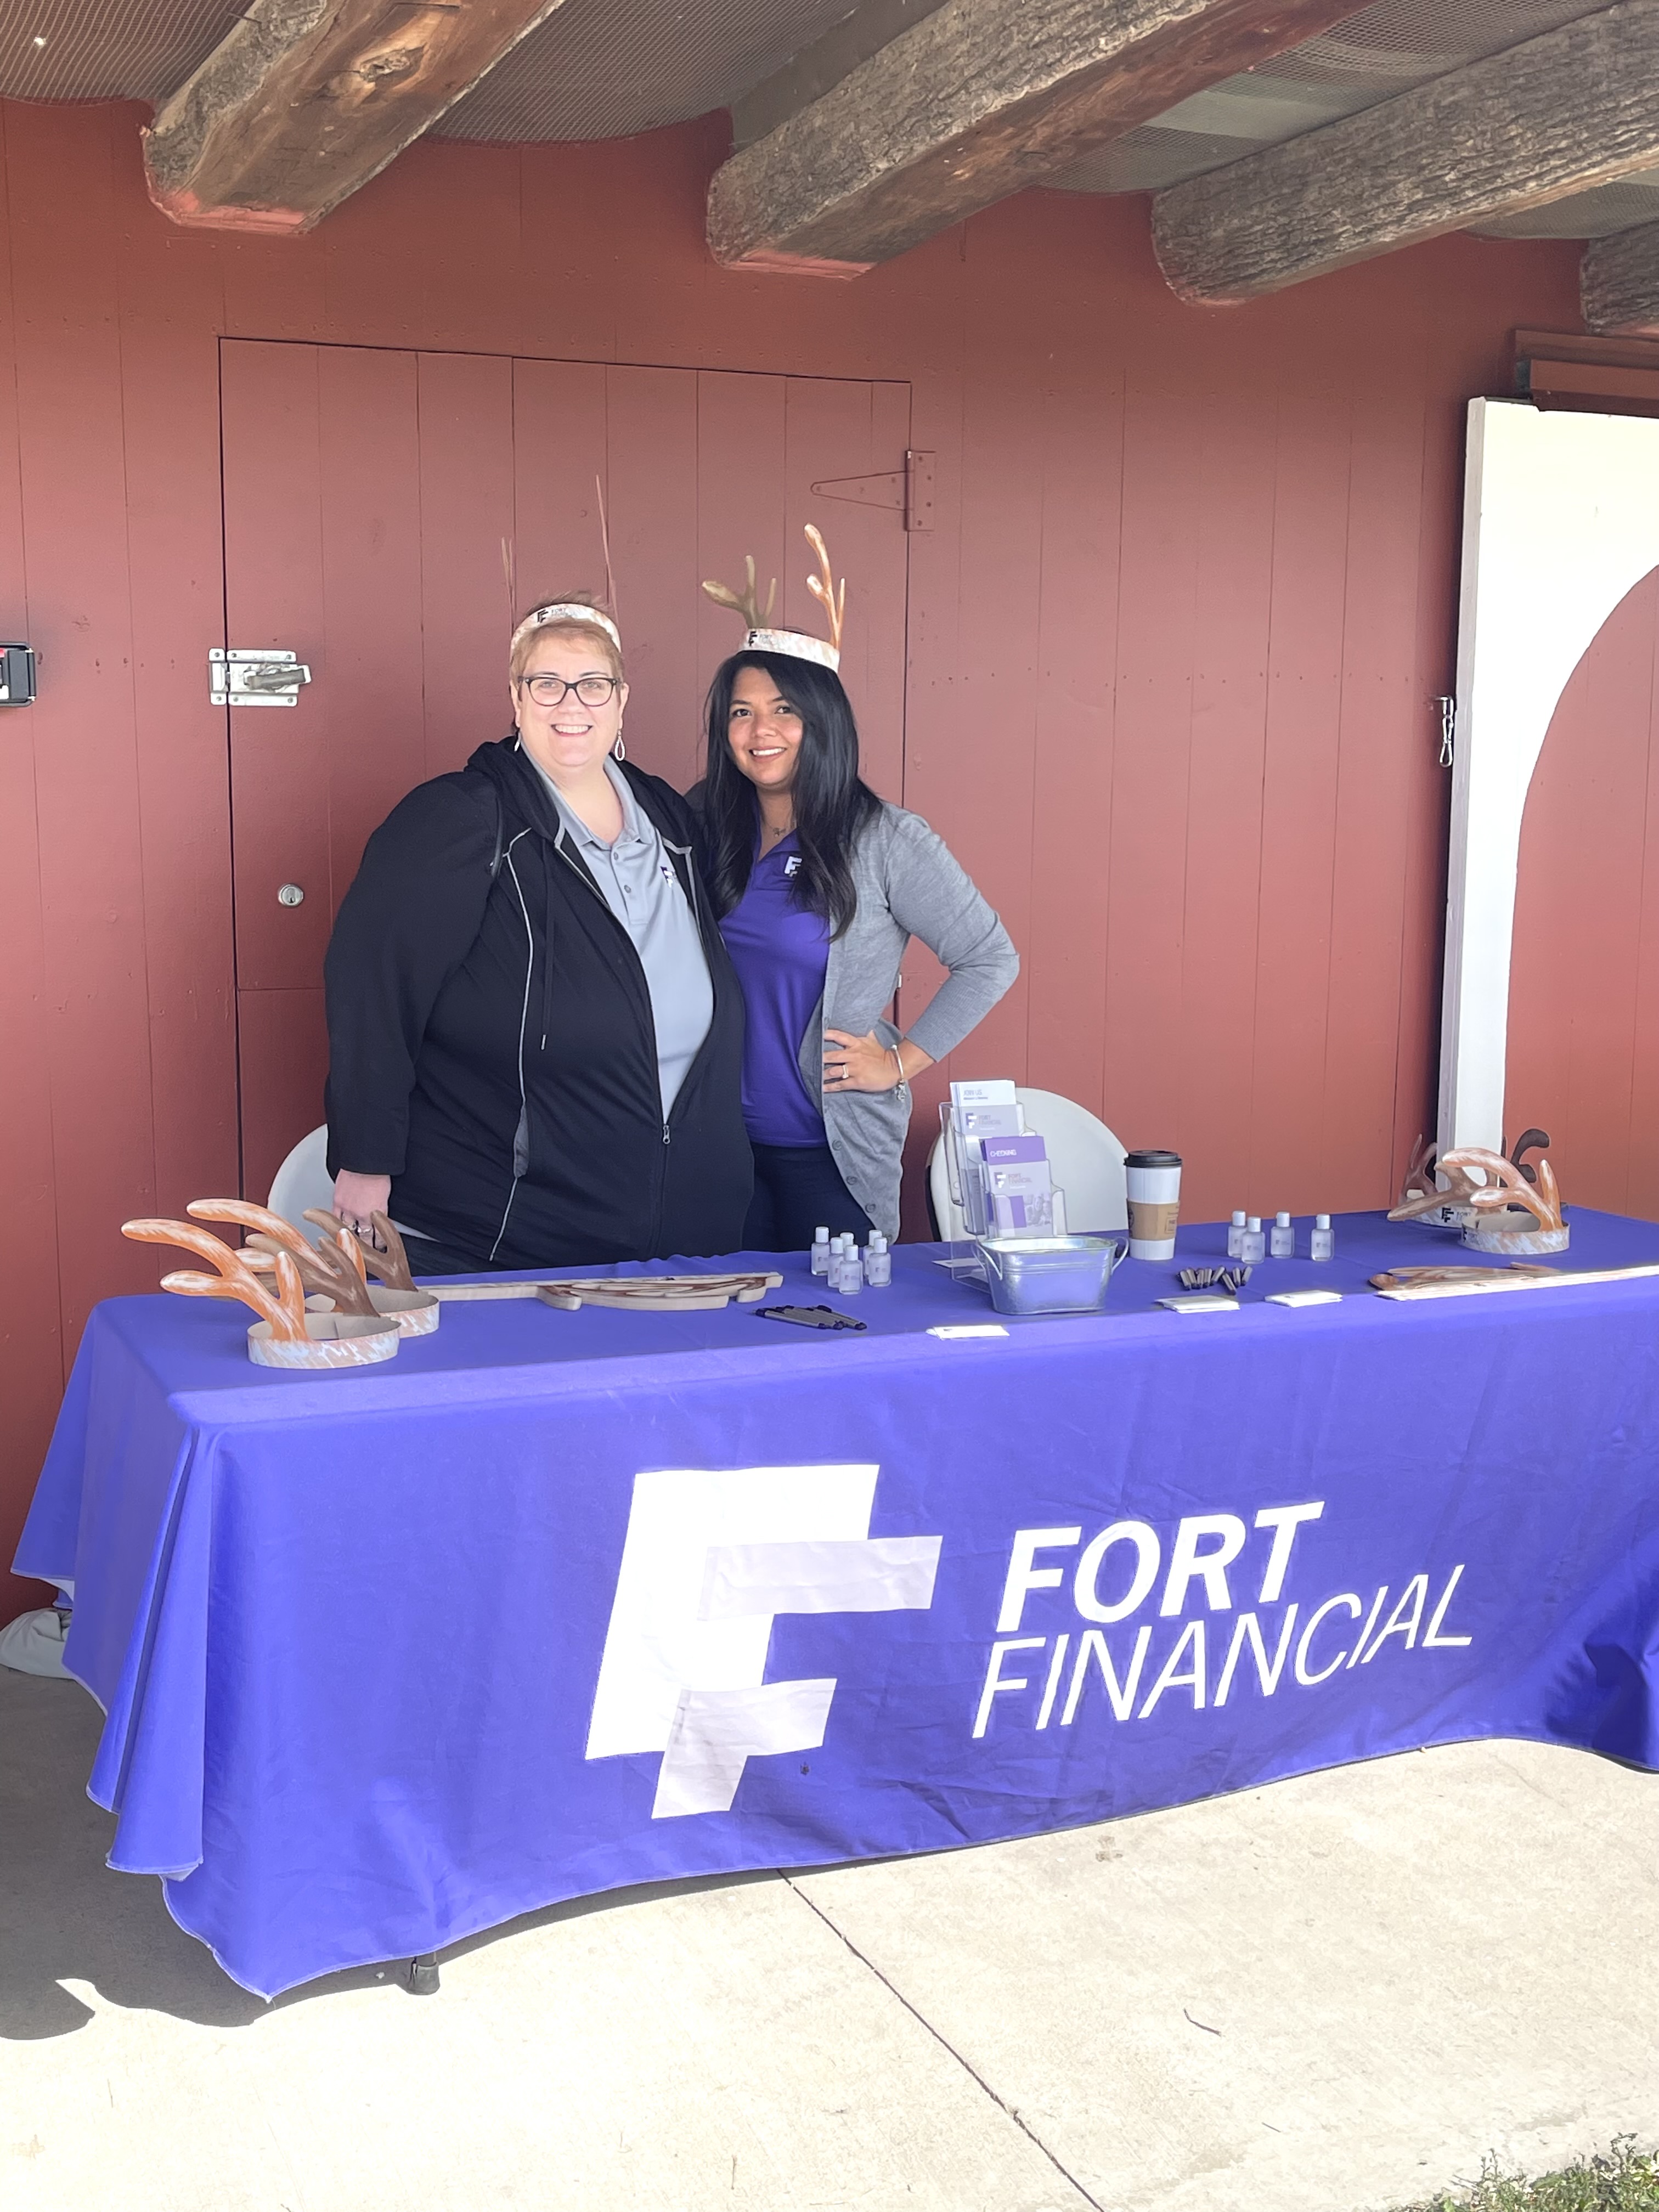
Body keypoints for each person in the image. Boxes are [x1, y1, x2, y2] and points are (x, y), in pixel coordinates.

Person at [323, 598, 751, 1273]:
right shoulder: (460, 818)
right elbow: (374, 988)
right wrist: (365, 1159)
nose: (570, 704)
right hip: (515, 1219)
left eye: (593, 685)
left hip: (685, 1218)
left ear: (621, 701)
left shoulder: (667, 814)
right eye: (547, 683)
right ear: (517, 698)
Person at [699, 527, 1017, 1251]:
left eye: (785, 708)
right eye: (742, 712)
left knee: (840, 1316)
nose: (760, 730)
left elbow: (990, 958)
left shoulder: (885, 840)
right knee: (732, 1318)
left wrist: (901, 1062)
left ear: (824, 720)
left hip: (832, 1157)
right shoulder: (705, 825)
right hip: (719, 1153)